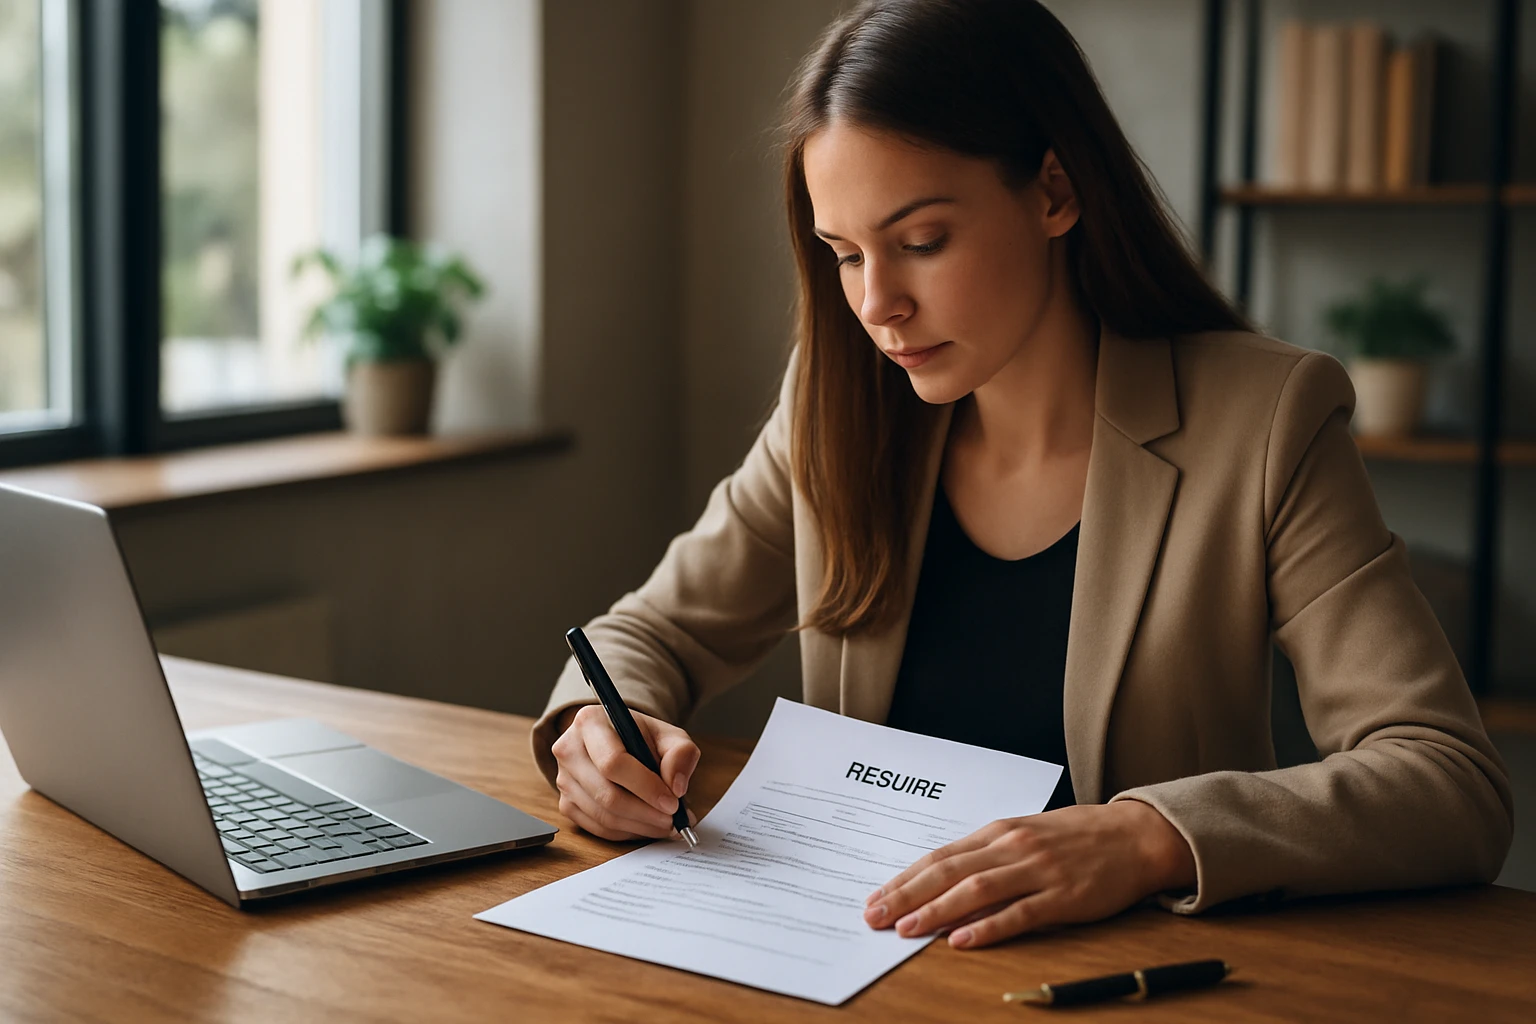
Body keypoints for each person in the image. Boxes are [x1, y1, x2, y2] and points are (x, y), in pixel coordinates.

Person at [531, 0, 1512, 949]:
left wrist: (1146, 837)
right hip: (861, 960)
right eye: (846, 254)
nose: (878, 305)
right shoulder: (837, 403)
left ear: (1053, 191)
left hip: (1127, 982)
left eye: (921, 243)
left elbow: (1445, 778)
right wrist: (596, 732)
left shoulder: (1263, 422)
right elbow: (650, 634)